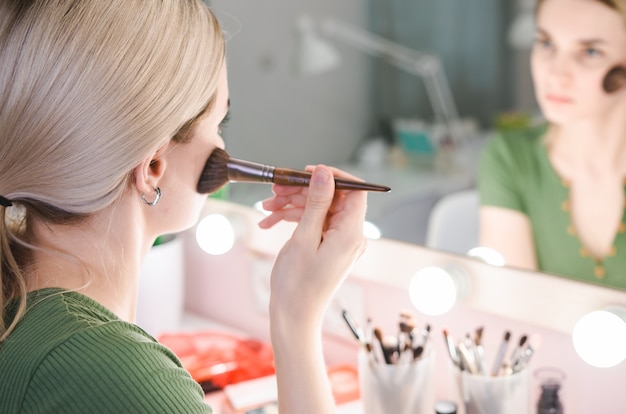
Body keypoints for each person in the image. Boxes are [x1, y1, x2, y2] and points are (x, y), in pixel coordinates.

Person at [0, 1, 368, 413]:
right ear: (153, 167)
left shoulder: (20, 308)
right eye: (217, 126)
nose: (224, 148)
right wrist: (297, 320)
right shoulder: (121, 379)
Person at [478, 0, 626, 290]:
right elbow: (516, 311)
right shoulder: (510, 159)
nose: (556, 75)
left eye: (591, 52)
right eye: (546, 44)